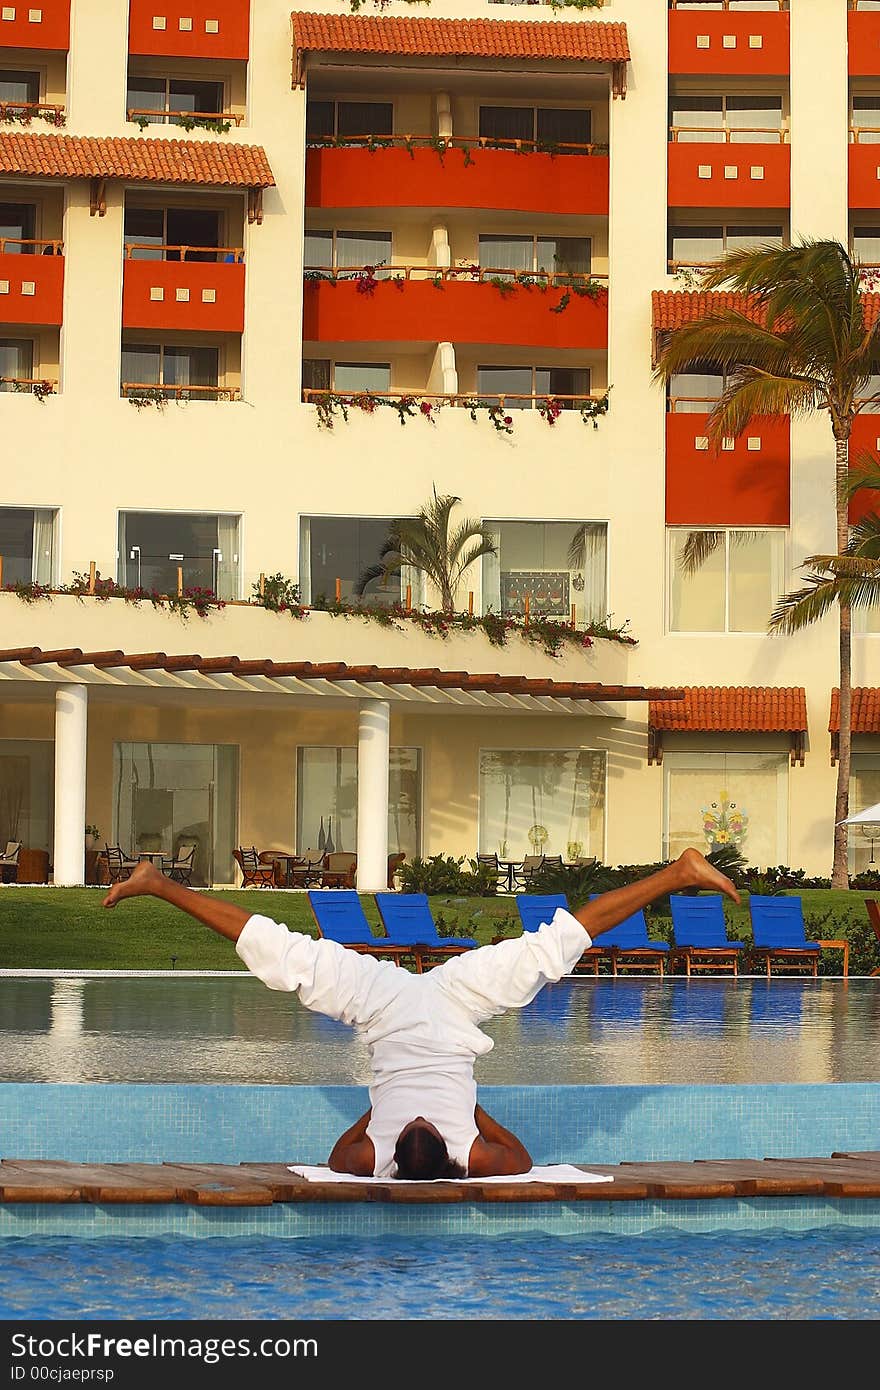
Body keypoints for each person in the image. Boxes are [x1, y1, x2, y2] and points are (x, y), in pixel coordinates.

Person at [102, 848, 739, 1181]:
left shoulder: (444, 1150)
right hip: (433, 1007)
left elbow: (511, 1151)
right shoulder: (397, 1153)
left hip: (401, 1010)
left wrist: (464, 1103)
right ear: (433, 1155)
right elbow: (508, 1156)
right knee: (555, 947)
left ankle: (160, 884)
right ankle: (676, 873)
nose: (421, 1121)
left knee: (283, 954)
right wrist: (388, 1104)